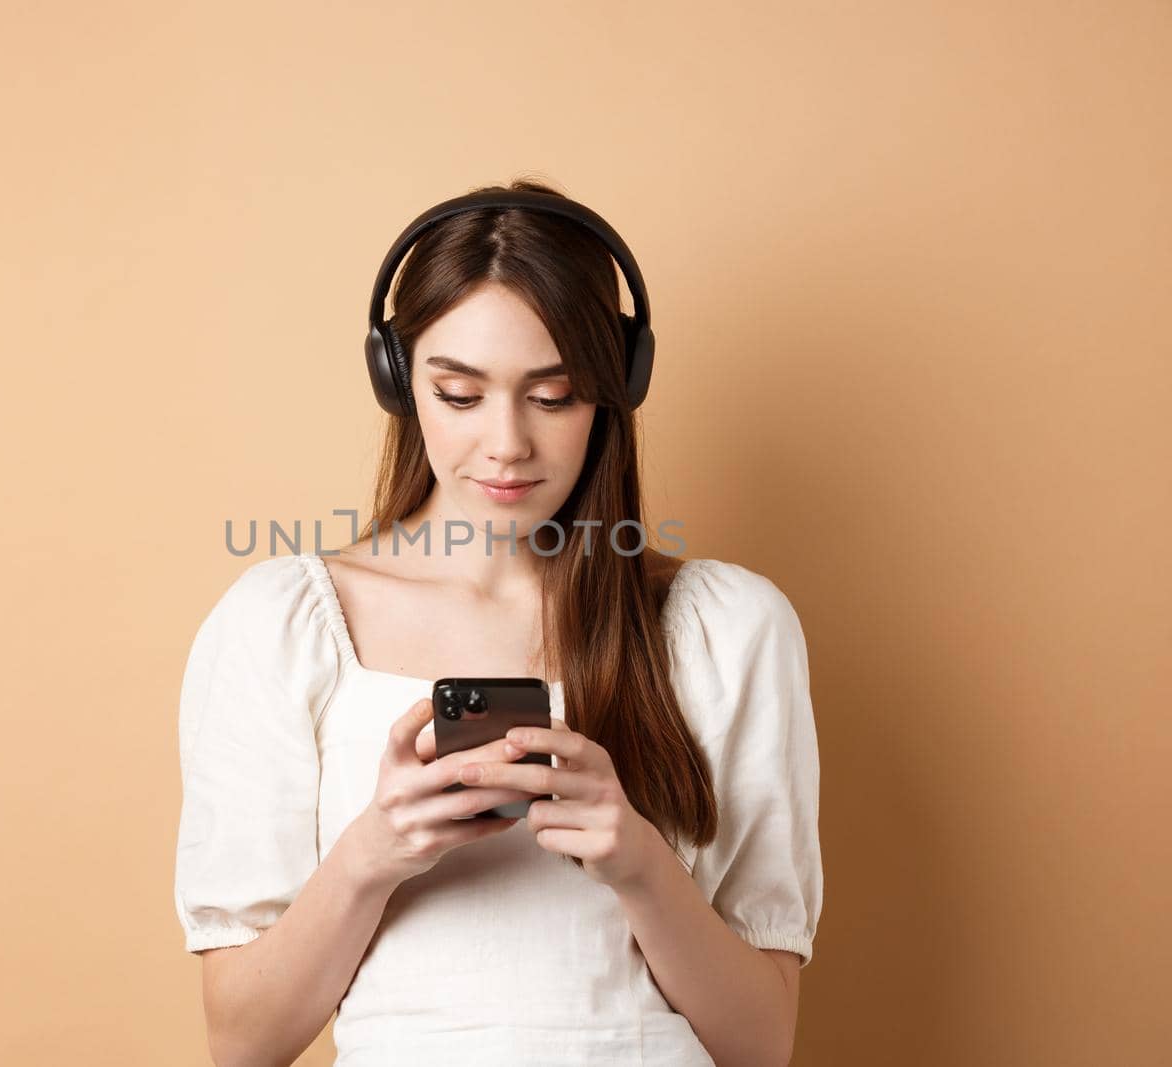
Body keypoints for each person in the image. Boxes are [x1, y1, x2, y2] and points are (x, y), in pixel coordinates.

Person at [173, 179, 823, 1066]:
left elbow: (762, 1046)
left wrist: (637, 859)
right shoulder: (282, 625)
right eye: (461, 394)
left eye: (552, 396)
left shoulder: (728, 628)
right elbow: (244, 1044)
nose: (508, 443)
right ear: (401, 383)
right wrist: (375, 851)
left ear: (612, 392)